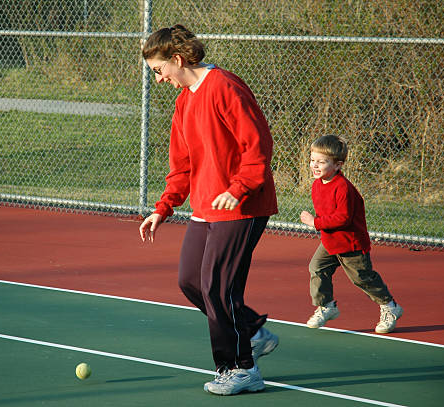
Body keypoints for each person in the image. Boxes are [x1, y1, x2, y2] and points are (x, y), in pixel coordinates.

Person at [139, 25, 279, 396]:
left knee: (218, 287)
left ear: (177, 60)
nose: (158, 78)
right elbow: (181, 165)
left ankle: (241, 368)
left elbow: (258, 144)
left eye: (158, 70)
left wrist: (240, 188)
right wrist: (163, 207)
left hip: (242, 206)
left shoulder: (225, 86)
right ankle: (249, 330)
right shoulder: (184, 101)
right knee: (190, 281)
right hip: (206, 206)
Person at [300, 135, 403, 333]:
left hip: (351, 244)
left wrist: (315, 223)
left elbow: (343, 218)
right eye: (312, 160)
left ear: (337, 165)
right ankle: (326, 306)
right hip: (331, 242)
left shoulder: (343, 187)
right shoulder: (317, 185)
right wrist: (320, 225)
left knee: (362, 278)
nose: (315, 165)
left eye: (321, 162)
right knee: (317, 268)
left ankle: (390, 307)